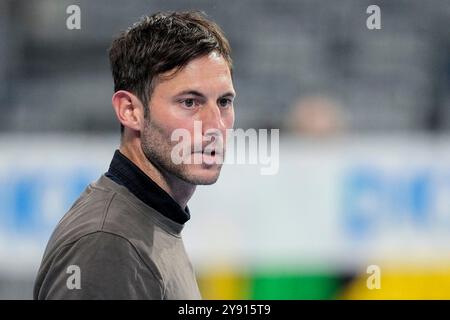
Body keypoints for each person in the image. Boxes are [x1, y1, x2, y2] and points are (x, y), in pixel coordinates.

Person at [33, 10, 236, 299]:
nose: (216, 125)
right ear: (130, 111)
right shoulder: (108, 243)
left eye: (224, 102)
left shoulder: (154, 221)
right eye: (190, 102)